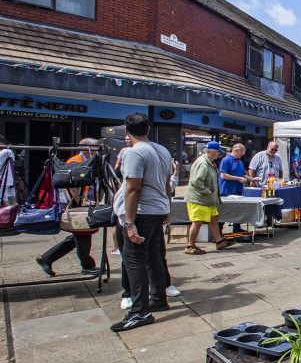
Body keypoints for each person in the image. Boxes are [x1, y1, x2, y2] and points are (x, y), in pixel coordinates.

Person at [110, 113, 173, 332]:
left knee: (133, 259)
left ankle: (140, 311)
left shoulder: (134, 153)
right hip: (158, 209)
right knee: (154, 255)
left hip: (143, 212)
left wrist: (129, 222)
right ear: (148, 128)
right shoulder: (162, 150)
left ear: (126, 131)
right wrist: (167, 207)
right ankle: (158, 298)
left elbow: (133, 188)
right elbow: (167, 183)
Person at [36, 138, 101, 277]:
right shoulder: (76, 161)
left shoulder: (88, 160)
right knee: (82, 233)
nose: (97, 149)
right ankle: (87, 265)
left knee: (79, 235)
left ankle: (46, 258)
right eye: (95, 147)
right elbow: (72, 184)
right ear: (85, 148)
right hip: (76, 203)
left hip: (82, 201)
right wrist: (80, 201)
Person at [185, 142, 235, 255]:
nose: (218, 156)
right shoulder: (203, 163)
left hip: (208, 199)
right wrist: (208, 192)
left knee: (214, 218)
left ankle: (219, 241)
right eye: (218, 153)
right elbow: (196, 182)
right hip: (200, 199)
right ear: (212, 152)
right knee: (197, 222)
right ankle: (190, 246)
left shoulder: (209, 163)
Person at [219, 143, 252, 232]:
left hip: (237, 190)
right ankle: (218, 231)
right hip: (227, 191)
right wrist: (238, 179)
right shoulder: (226, 160)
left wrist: (253, 179)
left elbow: (243, 175)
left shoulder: (240, 162)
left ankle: (236, 229)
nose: (243, 154)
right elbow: (223, 175)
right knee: (225, 211)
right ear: (236, 150)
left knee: (238, 210)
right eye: (242, 152)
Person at [0, 137, 15, 206]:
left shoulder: (3, 152)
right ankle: (14, 213)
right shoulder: (10, 152)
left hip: (4, 179)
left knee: (3, 197)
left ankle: (9, 213)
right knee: (11, 197)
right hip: (9, 179)